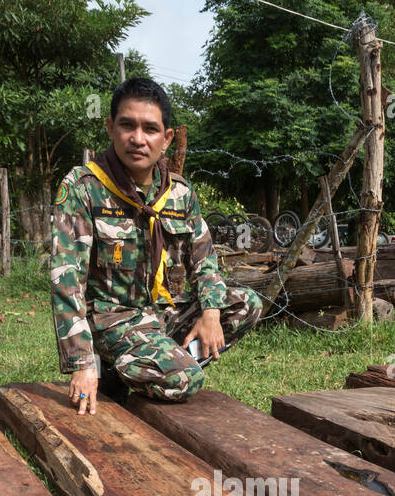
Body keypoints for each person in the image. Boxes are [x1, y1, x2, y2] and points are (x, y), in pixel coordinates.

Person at [50, 76, 263, 414]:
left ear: (166, 139)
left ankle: (154, 362)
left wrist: (209, 312)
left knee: (245, 304)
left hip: (163, 314)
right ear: (110, 128)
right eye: (127, 125)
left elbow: (204, 260)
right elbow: (66, 280)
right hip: (112, 320)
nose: (137, 139)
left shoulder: (179, 193)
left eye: (150, 129)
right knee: (184, 380)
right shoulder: (83, 187)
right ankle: (118, 372)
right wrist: (82, 362)